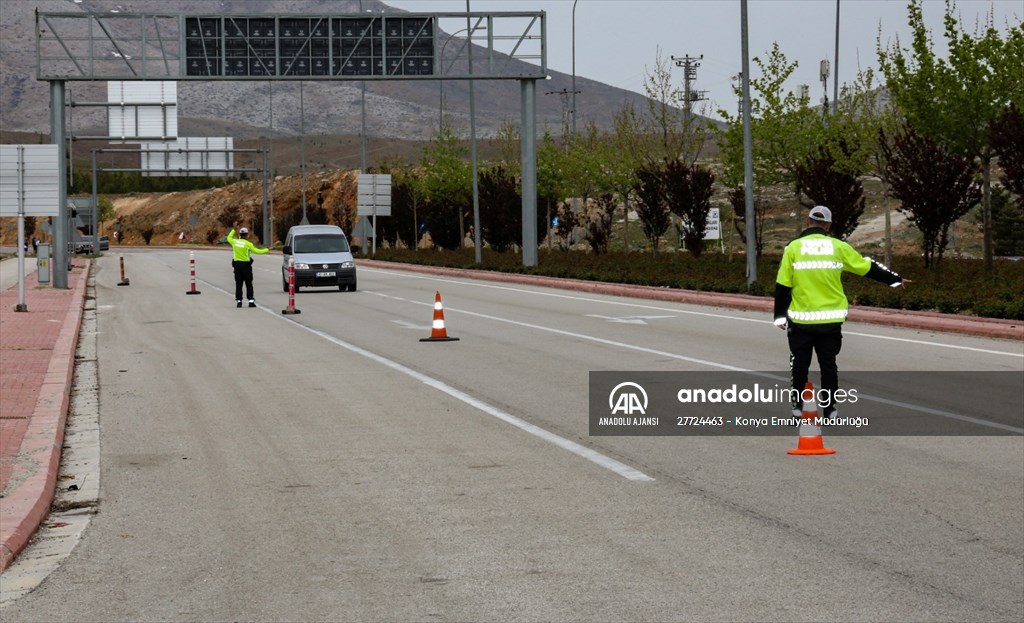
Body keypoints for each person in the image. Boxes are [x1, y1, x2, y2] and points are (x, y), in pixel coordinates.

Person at [774, 205, 909, 416]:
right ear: (828, 225)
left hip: (801, 321)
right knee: (828, 365)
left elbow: (783, 284)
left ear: (808, 222)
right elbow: (867, 267)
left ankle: (798, 407)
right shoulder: (838, 247)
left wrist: (780, 316)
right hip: (830, 321)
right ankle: (830, 409)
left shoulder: (793, 248)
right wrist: (894, 279)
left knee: (799, 365)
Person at [227, 226, 269, 308]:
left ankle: (239, 302)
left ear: (240, 234)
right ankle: (251, 301)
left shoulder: (234, 242)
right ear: (246, 235)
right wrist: (266, 250)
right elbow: (257, 251)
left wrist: (233, 231)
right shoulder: (248, 244)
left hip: (237, 265)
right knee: (249, 284)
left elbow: (229, 238)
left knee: (238, 284)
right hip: (246, 266)